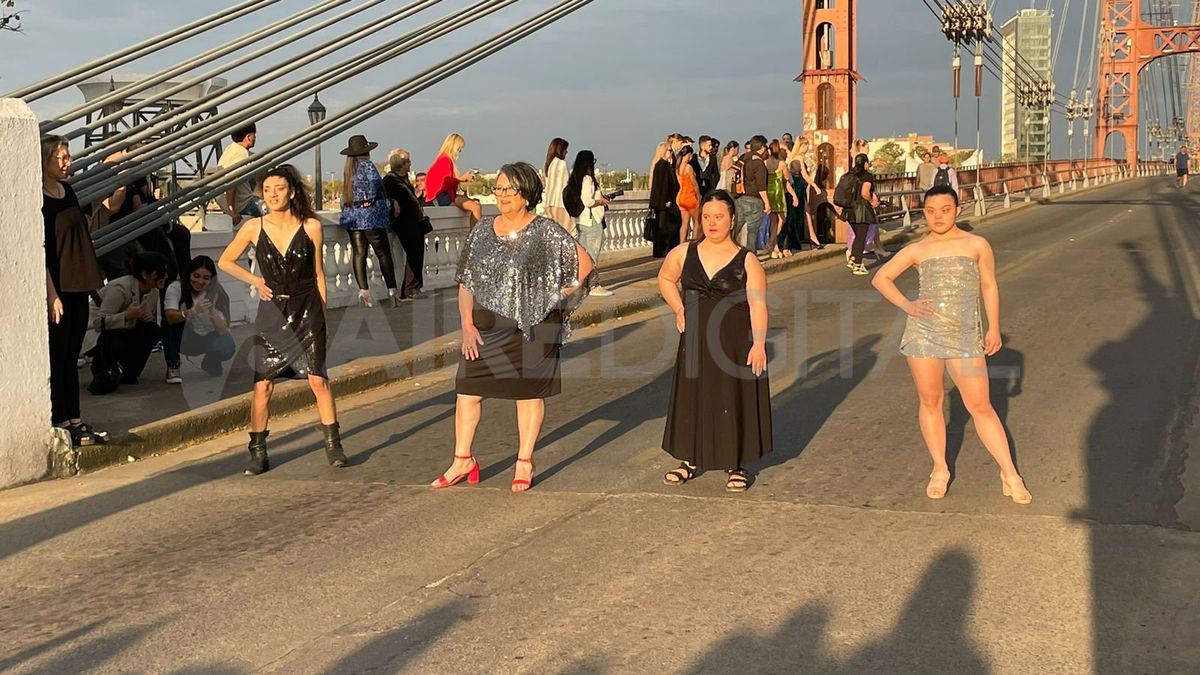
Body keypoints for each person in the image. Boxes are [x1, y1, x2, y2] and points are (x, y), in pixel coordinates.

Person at [431, 162, 594, 493]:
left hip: (533, 325)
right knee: (467, 392)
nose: (502, 195)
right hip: (485, 326)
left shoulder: (545, 230)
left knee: (528, 393)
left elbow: (584, 264)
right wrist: (466, 323)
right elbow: (466, 281)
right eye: (499, 188)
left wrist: (554, 296)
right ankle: (462, 459)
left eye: (510, 189)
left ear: (527, 193)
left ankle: (524, 461)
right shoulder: (482, 230)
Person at [871, 184, 1032, 505]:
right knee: (930, 400)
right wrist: (908, 306)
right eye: (931, 211)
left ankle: (1010, 473)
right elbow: (880, 278)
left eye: (945, 210)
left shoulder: (977, 244)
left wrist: (993, 327)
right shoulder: (918, 249)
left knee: (980, 405)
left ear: (957, 210)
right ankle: (940, 468)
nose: (938, 217)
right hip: (923, 334)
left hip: (965, 336)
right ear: (924, 213)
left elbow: (989, 285)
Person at [218, 164, 347, 475]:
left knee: (318, 379)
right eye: (267, 190)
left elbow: (318, 274)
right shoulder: (253, 227)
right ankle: (258, 452)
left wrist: (322, 315)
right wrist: (255, 280)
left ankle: (333, 444)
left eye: (278, 189)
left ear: (291, 192)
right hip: (272, 311)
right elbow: (225, 261)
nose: (273, 195)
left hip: (307, 307)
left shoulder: (311, 226)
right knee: (263, 385)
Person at [657, 190, 772, 492]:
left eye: (719, 217)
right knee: (692, 396)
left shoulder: (747, 260)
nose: (712, 222)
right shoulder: (685, 252)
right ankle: (689, 459)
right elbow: (665, 278)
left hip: (733, 341)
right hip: (695, 339)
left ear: (732, 220)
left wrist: (759, 343)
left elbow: (758, 304)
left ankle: (736, 463)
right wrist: (679, 308)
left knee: (730, 397)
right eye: (706, 216)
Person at [42, 135, 109, 447]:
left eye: (68, 157)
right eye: (62, 158)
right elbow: (40, 249)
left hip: (78, 283)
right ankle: (61, 419)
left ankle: (75, 419)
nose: (68, 163)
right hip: (58, 287)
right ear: (46, 160)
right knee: (58, 356)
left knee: (71, 355)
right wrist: (51, 294)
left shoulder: (67, 190)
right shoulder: (38, 198)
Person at [88, 251, 168, 390]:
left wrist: (146, 319)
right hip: (97, 334)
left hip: (125, 330)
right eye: (159, 273)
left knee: (152, 330)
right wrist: (126, 315)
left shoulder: (153, 291)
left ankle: (129, 372)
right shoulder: (120, 288)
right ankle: (103, 370)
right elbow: (99, 323)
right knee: (114, 336)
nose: (165, 276)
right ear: (145, 275)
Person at [338, 134, 400, 308]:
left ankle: (364, 292)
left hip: (352, 217)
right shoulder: (367, 165)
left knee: (359, 254)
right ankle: (392, 292)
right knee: (383, 253)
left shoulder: (349, 169)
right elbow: (373, 187)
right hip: (371, 218)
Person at [163, 255, 235, 383]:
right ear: (189, 274)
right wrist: (193, 311)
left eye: (206, 278)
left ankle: (211, 361)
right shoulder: (176, 287)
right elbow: (170, 317)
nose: (200, 281)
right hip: (185, 337)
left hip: (208, 337)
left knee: (227, 346)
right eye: (196, 276)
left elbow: (223, 330)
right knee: (168, 323)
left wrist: (212, 311)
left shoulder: (217, 292)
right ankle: (173, 365)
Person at [382, 148, 428, 299]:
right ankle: (410, 289)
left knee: (417, 254)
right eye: (407, 161)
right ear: (400, 164)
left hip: (414, 222)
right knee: (414, 253)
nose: (410, 164)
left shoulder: (404, 179)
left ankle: (413, 288)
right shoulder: (390, 180)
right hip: (403, 223)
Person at [568, 150, 613, 297]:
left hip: (581, 220)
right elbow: (587, 201)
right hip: (591, 221)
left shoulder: (575, 177)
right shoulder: (587, 179)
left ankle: (581, 284)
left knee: (583, 255)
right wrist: (601, 201)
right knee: (592, 255)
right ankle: (593, 285)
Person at [425, 133, 481, 225]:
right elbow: (446, 182)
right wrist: (462, 179)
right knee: (475, 207)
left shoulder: (443, 159)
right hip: (442, 196)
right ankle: (475, 233)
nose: (460, 151)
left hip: (442, 196)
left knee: (475, 204)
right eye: (459, 148)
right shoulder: (445, 161)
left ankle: (474, 232)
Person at [217, 123, 265, 227]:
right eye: (254, 135)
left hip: (226, 202)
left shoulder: (231, 149)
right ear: (248, 137)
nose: (255, 138)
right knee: (273, 215)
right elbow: (232, 181)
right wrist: (232, 211)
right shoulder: (241, 154)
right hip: (243, 204)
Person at [784, 136, 823, 251]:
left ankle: (808, 238)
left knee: (801, 213)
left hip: (795, 185)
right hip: (799, 186)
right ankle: (801, 240)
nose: (807, 148)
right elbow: (805, 175)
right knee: (799, 214)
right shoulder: (800, 158)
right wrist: (815, 185)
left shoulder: (791, 157)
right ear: (801, 146)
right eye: (806, 145)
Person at [844, 153, 880, 276]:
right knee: (861, 237)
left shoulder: (850, 174)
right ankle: (858, 264)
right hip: (861, 211)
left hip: (849, 210)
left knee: (858, 236)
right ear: (865, 163)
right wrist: (872, 201)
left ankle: (853, 258)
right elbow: (865, 193)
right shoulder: (866, 176)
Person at [735, 136, 771, 252]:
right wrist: (767, 203)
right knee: (752, 231)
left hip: (740, 197)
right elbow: (761, 186)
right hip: (754, 199)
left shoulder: (743, 157)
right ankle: (750, 253)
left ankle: (726, 251)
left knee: (735, 227)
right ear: (762, 147)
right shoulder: (759, 163)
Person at [765, 140, 799, 258]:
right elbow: (787, 181)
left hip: (768, 192)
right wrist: (794, 195)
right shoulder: (782, 164)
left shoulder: (764, 163)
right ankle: (771, 242)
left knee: (773, 221)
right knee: (782, 219)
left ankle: (774, 247)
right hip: (778, 192)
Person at [648, 142, 681, 258]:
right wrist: (667, 199)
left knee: (662, 227)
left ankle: (662, 250)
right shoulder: (663, 165)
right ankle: (664, 250)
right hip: (665, 203)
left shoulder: (663, 164)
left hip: (662, 202)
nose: (671, 153)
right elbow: (663, 185)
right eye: (669, 150)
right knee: (665, 227)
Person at [542, 137, 574, 236]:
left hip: (550, 204)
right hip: (561, 203)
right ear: (560, 150)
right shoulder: (562, 164)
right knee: (570, 234)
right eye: (565, 149)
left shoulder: (549, 165)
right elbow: (567, 186)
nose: (567, 152)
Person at [676, 144, 700, 243]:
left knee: (684, 223)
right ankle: (694, 243)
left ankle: (681, 243)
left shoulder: (677, 167)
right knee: (696, 222)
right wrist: (698, 195)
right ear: (689, 154)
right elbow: (694, 184)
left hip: (681, 196)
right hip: (690, 196)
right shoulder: (688, 167)